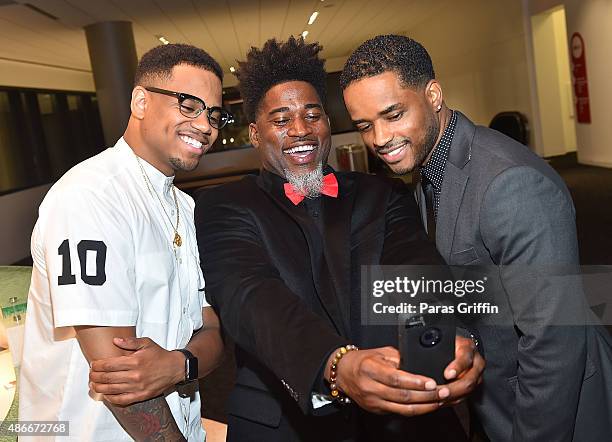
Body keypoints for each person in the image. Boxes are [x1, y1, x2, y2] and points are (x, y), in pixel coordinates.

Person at [193, 36, 484, 442]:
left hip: (400, 417)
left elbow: (415, 270)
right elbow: (252, 297)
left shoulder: (381, 193)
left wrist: (445, 338)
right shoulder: (224, 205)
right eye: (281, 120)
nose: (300, 130)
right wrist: (336, 365)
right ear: (256, 134)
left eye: (313, 114)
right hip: (287, 424)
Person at [340, 34, 612, 442]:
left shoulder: (510, 183)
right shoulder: (425, 172)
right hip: (494, 404)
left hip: (554, 415)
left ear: (433, 95)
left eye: (393, 114)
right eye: (365, 125)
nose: (379, 138)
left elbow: (554, 343)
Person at [19, 43, 230, 441]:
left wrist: (178, 365)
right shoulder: (91, 195)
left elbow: (213, 332)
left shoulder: (182, 205)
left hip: (182, 425)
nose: (205, 125)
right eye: (189, 105)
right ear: (140, 101)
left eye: (214, 114)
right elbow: (120, 379)